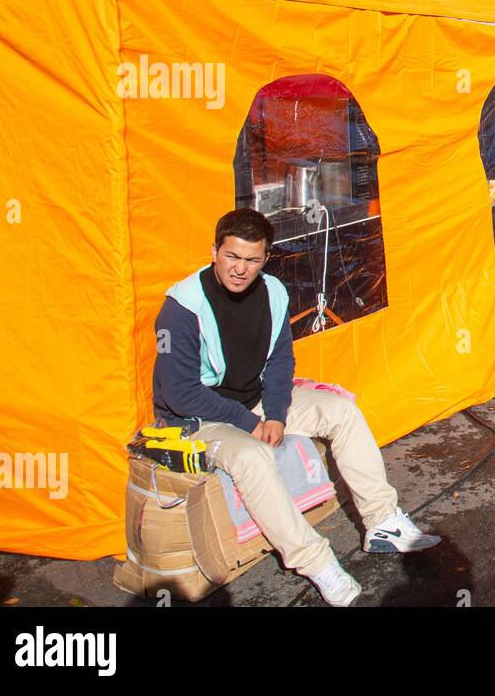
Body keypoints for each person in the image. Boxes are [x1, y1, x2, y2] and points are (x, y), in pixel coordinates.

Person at [152, 209, 440, 607]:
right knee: (252, 456)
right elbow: (180, 392)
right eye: (232, 256)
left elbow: (280, 361)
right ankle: (315, 560)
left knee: (341, 411)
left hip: (253, 400)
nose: (240, 269)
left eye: (251, 260)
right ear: (214, 251)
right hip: (199, 417)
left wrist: (274, 414)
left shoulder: (273, 292)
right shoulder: (181, 308)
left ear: (265, 259)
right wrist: (247, 423)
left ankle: (383, 521)